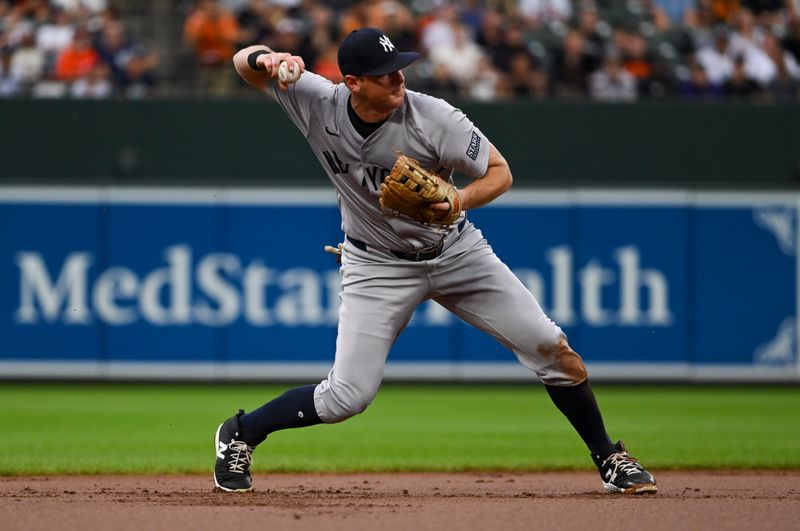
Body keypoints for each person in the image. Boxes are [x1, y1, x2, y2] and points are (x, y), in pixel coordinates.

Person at [215, 27, 658, 495]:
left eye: (399, 67)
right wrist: (267, 58)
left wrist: (460, 200)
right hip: (377, 265)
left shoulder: (434, 116)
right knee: (347, 397)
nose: (398, 78)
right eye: (384, 74)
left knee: (550, 347)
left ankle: (609, 457)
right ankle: (242, 432)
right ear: (353, 82)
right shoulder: (316, 100)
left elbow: (500, 172)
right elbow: (243, 63)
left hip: (455, 252)